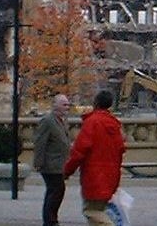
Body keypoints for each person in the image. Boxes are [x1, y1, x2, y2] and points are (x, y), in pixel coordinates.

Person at [64, 90, 125, 226]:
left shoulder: (92, 122)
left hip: (94, 176)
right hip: (111, 175)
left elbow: (79, 151)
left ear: (96, 103)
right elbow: (120, 150)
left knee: (91, 211)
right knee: (99, 209)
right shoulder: (115, 125)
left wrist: (67, 171)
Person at [33, 94, 72, 226]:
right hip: (50, 164)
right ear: (55, 105)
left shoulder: (62, 120)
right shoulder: (48, 120)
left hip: (60, 164)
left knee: (56, 191)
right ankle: (50, 221)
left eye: (68, 104)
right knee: (56, 190)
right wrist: (38, 163)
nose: (67, 107)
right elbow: (40, 142)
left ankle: (51, 219)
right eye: (64, 104)